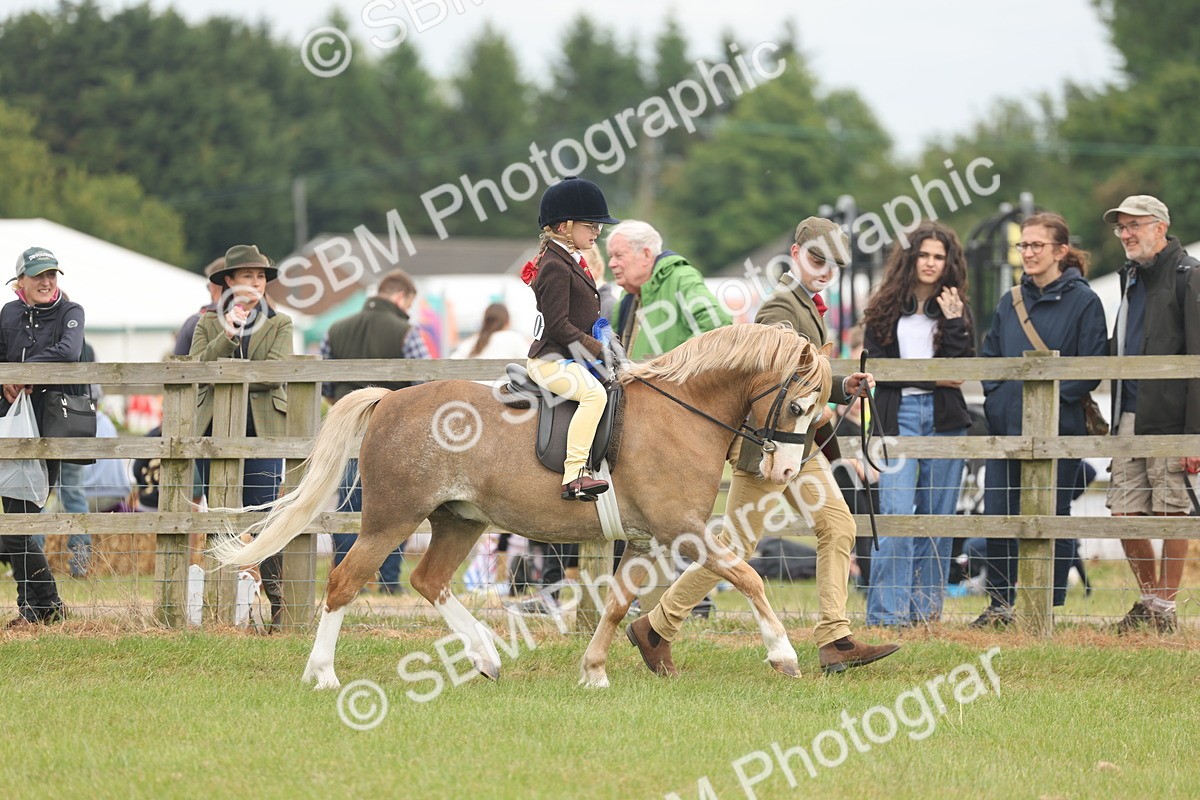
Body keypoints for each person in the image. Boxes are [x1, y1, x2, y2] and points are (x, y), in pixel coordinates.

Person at [627, 217, 900, 675]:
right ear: (795, 253)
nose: (825, 270)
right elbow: (779, 384)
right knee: (735, 545)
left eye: (833, 264)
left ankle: (835, 638)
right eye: (817, 259)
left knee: (837, 526)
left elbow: (805, 380)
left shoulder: (805, 305)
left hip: (800, 446)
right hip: (769, 449)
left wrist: (841, 385)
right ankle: (656, 627)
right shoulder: (779, 310)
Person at [971, 212, 1107, 627]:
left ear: (1060, 251)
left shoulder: (1084, 301)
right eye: (1023, 245)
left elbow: (1091, 366)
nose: (1028, 253)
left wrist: (1044, 405)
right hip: (1006, 428)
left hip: (1059, 430)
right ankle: (999, 605)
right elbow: (991, 358)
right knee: (999, 514)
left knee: (1052, 515)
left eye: (1036, 245)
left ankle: (1043, 607)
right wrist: (998, 401)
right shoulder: (1010, 300)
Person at [862, 221, 974, 627]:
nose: (930, 263)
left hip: (945, 419)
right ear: (910, 258)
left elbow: (958, 373)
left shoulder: (956, 307)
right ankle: (887, 617)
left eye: (938, 257)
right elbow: (877, 370)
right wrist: (930, 376)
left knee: (935, 519)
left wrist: (956, 323)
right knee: (894, 516)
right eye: (924, 255)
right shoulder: (885, 305)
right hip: (897, 419)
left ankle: (925, 615)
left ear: (949, 263)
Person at [1103, 195, 1200, 634]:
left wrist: (1194, 434)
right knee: (1124, 512)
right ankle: (1150, 601)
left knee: (1172, 513)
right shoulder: (1129, 278)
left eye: (1134, 225)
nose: (1126, 234)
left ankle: (1164, 608)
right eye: (1121, 227)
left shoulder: (1189, 276)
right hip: (1127, 413)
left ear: (1160, 227)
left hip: (1173, 417)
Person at [190, 244, 292, 626]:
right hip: (214, 432)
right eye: (247, 276)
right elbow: (200, 369)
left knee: (264, 516)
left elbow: (276, 373)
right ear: (228, 281)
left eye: (261, 277)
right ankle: (219, 605)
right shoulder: (207, 323)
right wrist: (228, 334)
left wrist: (234, 371)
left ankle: (278, 604)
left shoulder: (281, 323)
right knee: (217, 514)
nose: (255, 283)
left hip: (262, 432)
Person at [322, 268, 429, 594]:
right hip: (392, 434)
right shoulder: (406, 332)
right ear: (400, 297)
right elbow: (424, 386)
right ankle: (389, 582)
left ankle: (344, 580)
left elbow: (324, 382)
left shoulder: (335, 329)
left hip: (347, 429)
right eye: (409, 303)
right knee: (394, 509)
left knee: (348, 505)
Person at [522, 176, 619, 500]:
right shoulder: (555, 266)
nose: (597, 232)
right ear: (565, 226)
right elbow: (559, 325)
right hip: (550, 359)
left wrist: (608, 341)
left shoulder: (569, 259)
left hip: (568, 355)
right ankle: (574, 474)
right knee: (594, 395)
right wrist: (599, 351)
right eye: (591, 225)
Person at [0, 246, 75, 626]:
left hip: (52, 428)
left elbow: (68, 352)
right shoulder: (8, 312)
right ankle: (42, 609)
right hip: (12, 427)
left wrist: (23, 371)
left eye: (52, 275)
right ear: (21, 281)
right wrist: (5, 383)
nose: (47, 282)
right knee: (16, 524)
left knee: (20, 524)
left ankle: (38, 608)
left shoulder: (70, 312)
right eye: (39, 275)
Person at [608, 220, 732, 359]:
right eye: (610, 256)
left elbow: (718, 326)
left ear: (646, 255)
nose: (611, 264)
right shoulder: (627, 296)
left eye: (619, 256)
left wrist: (671, 368)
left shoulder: (682, 278)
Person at [174, 257, 225, 356]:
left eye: (208, 286)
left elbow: (176, 364)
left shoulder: (194, 321)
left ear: (213, 286)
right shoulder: (249, 318)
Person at [451, 303, 530, 360]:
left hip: (472, 383)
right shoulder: (514, 338)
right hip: (503, 383)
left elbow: (451, 363)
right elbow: (529, 365)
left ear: (484, 322)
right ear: (507, 322)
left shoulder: (471, 341)